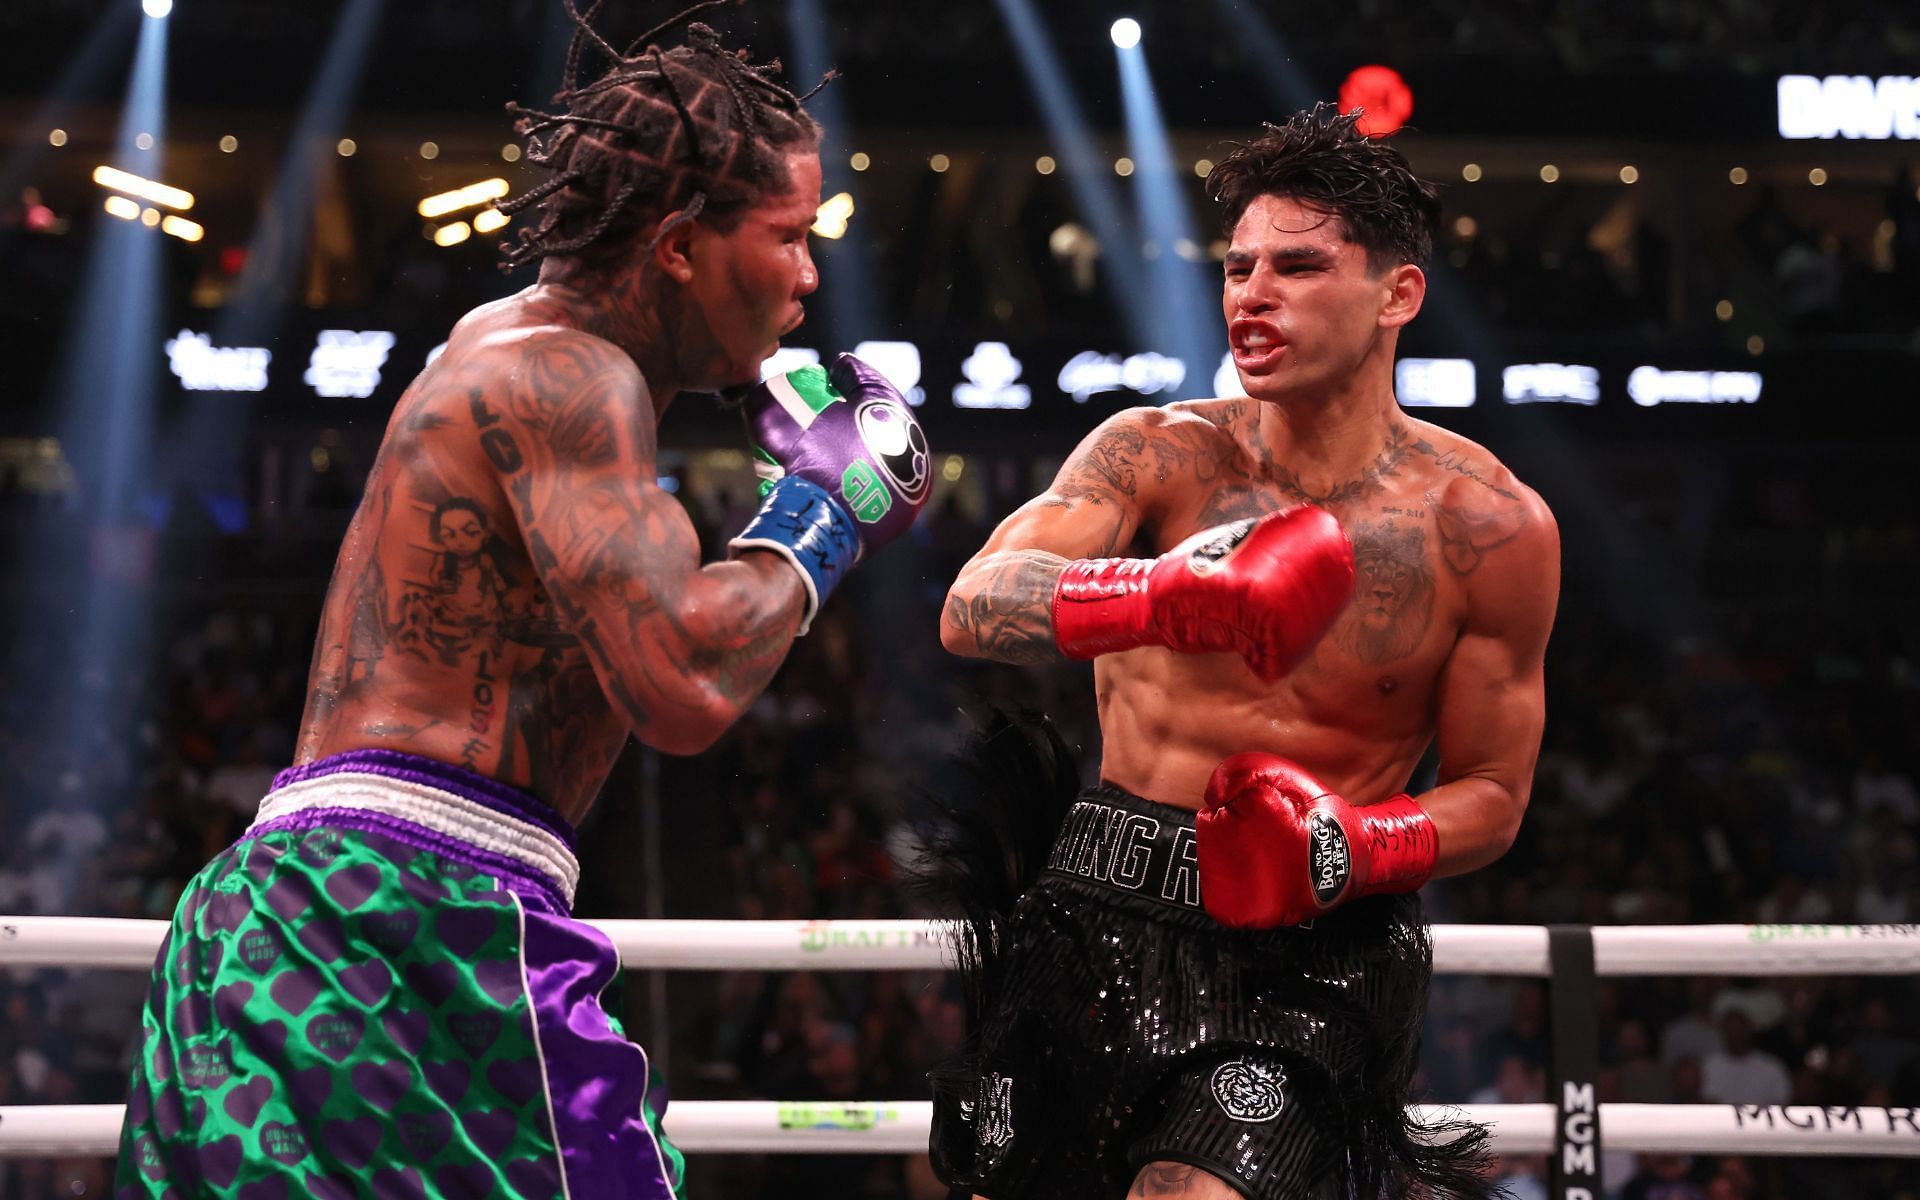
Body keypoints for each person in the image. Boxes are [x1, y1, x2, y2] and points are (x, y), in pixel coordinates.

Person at [114, 10, 929, 1199]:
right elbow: (683, 684)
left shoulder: (523, 350)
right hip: (408, 916)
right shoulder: (569, 378)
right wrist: (825, 507)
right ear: (679, 247)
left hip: (296, 918)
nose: (811, 275)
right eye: (789, 236)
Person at [931, 103, 1558, 1199]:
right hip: (1093, 911)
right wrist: (1161, 596)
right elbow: (975, 602)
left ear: (1397, 295)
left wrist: (1349, 849)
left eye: (1299, 268)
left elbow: (1496, 793)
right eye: (1238, 267)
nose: (1251, 295)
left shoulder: (1490, 528)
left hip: (1307, 953)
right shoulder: (1155, 455)